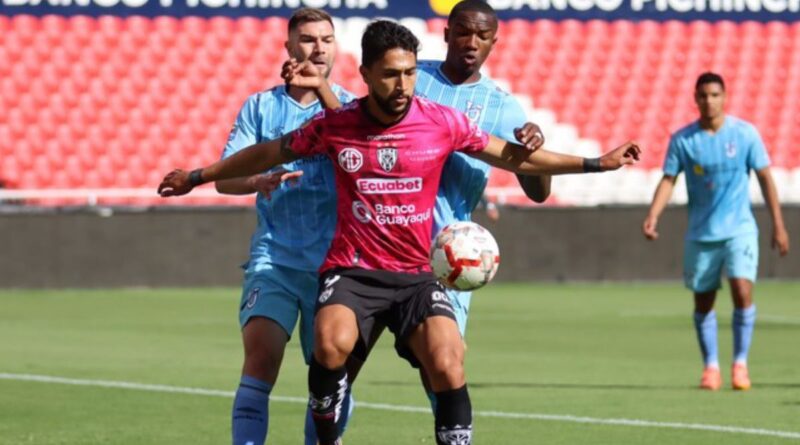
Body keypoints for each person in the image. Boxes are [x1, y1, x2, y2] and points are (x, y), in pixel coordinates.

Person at [158, 20, 641, 445]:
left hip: (416, 274)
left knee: (449, 359)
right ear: (366, 75)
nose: (403, 84)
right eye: (390, 74)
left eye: (410, 73)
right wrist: (198, 176)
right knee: (330, 347)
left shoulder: (442, 122)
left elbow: (514, 157)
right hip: (353, 271)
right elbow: (267, 153)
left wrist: (599, 163)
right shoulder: (336, 124)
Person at [215, 8, 356, 445]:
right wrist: (257, 180)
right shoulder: (260, 107)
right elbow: (224, 178)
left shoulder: (350, 108)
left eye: (327, 40)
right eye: (309, 39)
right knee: (260, 358)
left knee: (330, 375)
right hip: (274, 258)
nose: (318, 48)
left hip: (334, 265)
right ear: (289, 48)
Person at [642, 72, 789, 391]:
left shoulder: (745, 134)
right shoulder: (683, 140)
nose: (709, 101)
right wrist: (654, 214)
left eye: (714, 95)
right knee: (704, 301)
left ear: (724, 97)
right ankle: (711, 367)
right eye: (703, 96)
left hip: (739, 230)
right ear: (695, 99)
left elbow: (765, 177)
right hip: (701, 234)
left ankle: (740, 364)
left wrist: (778, 224)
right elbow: (669, 179)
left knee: (742, 291)